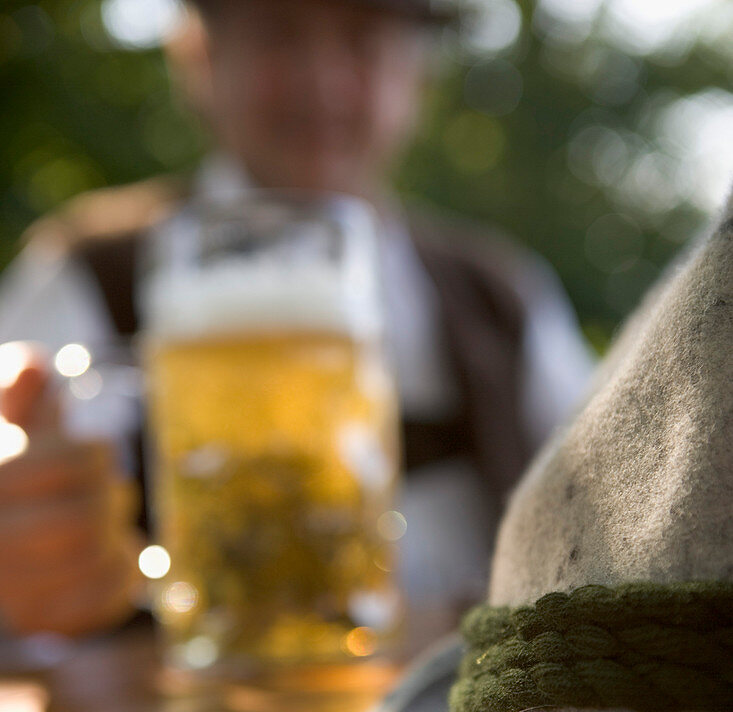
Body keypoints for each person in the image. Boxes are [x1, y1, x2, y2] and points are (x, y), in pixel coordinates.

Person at [0, 0, 591, 646]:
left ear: (417, 75)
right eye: (278, 34)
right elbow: (21, 477)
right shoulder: (90, 268)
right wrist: (32, 552)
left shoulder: (501, 291)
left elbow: (606, 517)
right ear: (199, 55)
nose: (323, 82)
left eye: (363, 42)